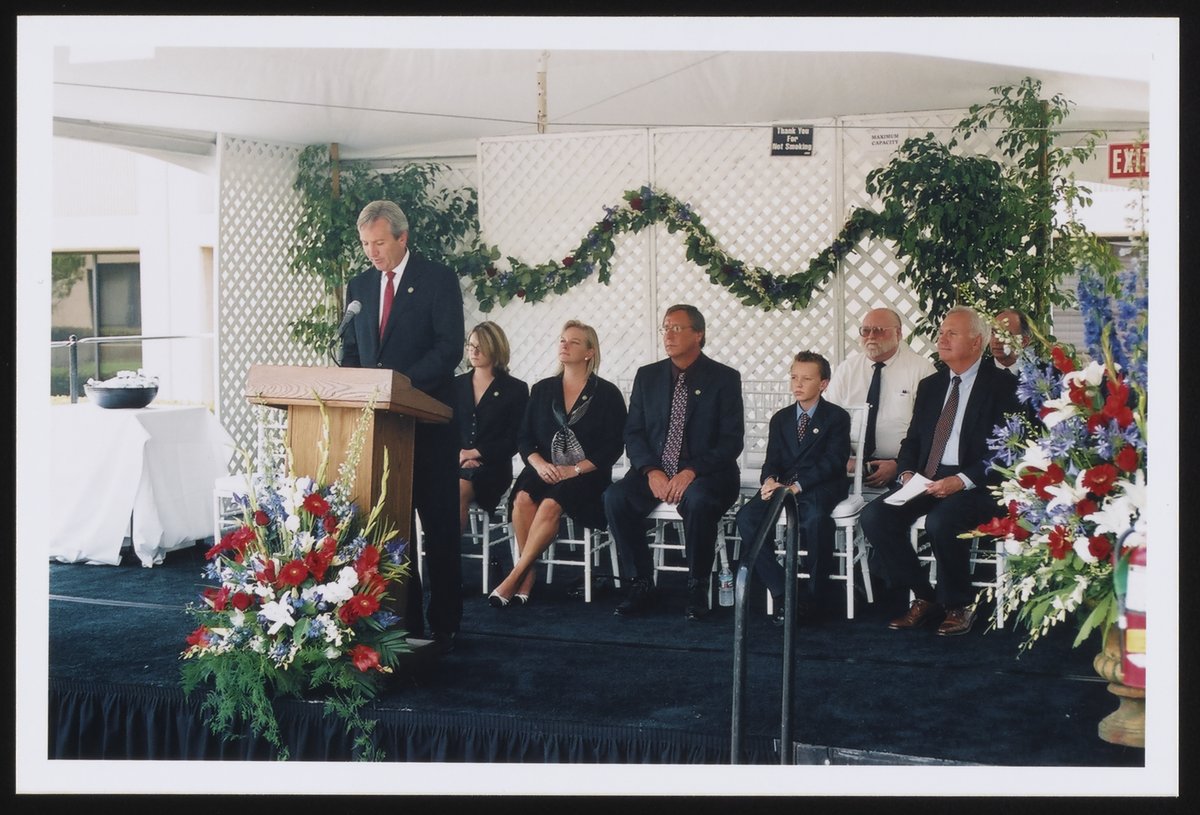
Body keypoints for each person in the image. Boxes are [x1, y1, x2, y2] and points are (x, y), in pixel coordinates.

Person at [342, 200, 465, 654]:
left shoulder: (437, 279)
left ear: (402, 237)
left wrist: (401, 385)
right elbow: (352, 350)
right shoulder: (358, 286)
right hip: (381, 428)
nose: (372, 252)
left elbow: (449, 348)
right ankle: (403, 619)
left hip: (428, 422)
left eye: (379, 243)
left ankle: (446, 622)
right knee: (392, 526)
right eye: (365, 245)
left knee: (438, 525)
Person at [859, 306, 1020, 637]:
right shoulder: (931, 385)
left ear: (976, 342)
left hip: (976, 483)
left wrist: (961, 480)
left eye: (952, 334)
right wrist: (906, 472)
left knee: (941, 521)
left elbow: (1006, 451)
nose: (941, 339)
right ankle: (925, 595)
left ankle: (958, 605)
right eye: (941, 332)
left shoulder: (1003, 386)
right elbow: (913, 439)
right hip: (926, 477)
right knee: (875, 516)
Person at [605, 304, 744, 621]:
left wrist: (691, 471)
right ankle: (641, 582)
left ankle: (697, 585)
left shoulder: (724, 378)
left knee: (699, 500)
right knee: (615, 497)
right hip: (656, 469)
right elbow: (633, 432)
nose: (668, 334)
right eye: (665, 328)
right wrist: (651, 470)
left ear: (699, 334)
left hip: (707, 473)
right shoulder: (648, 376)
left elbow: (731, 441)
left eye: (677, 328)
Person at [487, 321, 627, 606]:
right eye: (562, 340)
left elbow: (613, 446)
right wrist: (539, 464)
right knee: (522, 498)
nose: (564, 345)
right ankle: (528, 574)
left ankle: (515, 577)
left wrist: (573, 470)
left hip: (586, 473)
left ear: (589, 352)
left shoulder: (607, 393)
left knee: (551, 504)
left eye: (574, 342)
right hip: (545, 467)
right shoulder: (542, 389)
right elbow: (524, 437)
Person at [735, 351, 850, 625]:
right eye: (794, 377)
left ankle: (816, 596)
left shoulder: (836, 417)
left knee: (815, 520)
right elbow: (772, 460)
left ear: (823, 384)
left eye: (806, 379)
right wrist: (769, 480)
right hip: (783, 486)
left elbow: (833, 462)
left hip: (820, 485)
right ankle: (784, 591)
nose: (798, 384)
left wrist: (798, 486)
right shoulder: (781, 418)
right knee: (747, 518)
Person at [824, 307, 935, 494]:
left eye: (879, 330)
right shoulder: (847, 370)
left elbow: (931, 430)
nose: (871, 336)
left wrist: (899, 465)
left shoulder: (921, 370)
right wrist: (843, 458)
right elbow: (828, 422)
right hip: (849, 467)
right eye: (866, 330)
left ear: (898, 333)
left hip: (904, 470)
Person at [455, 321, 529, 533]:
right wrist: (461, 456)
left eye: (481, 346)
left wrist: (475, 453)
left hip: (493, 469)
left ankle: (448, 551)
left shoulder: (515, 389)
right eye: (471, 345)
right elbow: (445, 430)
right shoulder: (455, 386)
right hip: (456, 462)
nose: (474, 351)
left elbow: (515, 438)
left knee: (458, 490)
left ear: (496, 348)